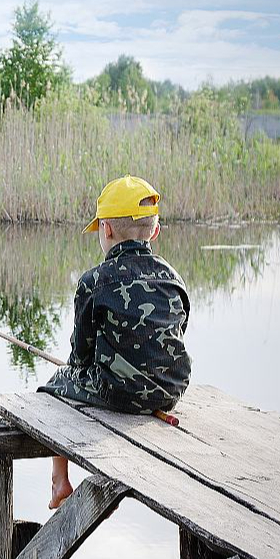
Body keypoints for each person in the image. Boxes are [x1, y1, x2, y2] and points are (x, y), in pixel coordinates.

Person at [41, 175, 192, 509]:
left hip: (119, 391)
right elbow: (174, 335)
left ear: (105, 230)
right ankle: (153, 402)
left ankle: (59, 481)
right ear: (155, 232)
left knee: (55, 384)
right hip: (172, 390)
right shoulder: (174, 279)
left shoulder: (94, 282)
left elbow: (79, 359)